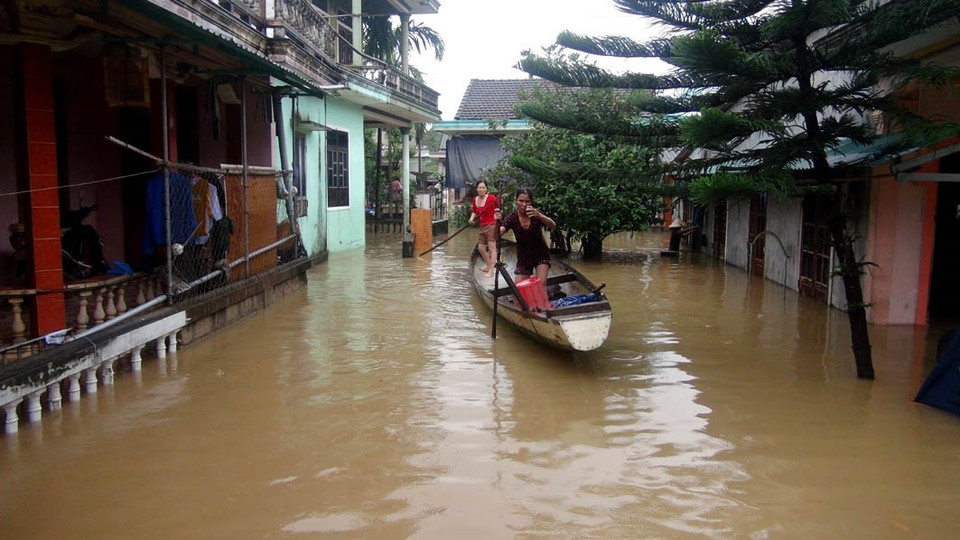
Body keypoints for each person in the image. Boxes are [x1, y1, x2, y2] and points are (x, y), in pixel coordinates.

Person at [495, 188, 556, 287]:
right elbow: (497, 236)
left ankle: (542, 301)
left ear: (531, 202)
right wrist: (496, 222)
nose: (524, 204)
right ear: (516, 201)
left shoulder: (536, 214)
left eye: (527, 201)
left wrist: (540, 215)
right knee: (519, 288)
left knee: (540, 284)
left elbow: (553, 226)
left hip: (541, 254)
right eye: (521, 201)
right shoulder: (512, 218)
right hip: (523, 258)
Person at [468, 180, 499, 277]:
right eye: (479, 187)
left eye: (483, 187)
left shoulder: (491, 198)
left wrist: (497, 213)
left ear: (486, 189)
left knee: (492, 248)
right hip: (482, 226)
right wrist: (471, 218)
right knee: (481, 248)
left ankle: (491, 271)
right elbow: (474, 211)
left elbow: (499, 205)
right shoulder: (475, 199)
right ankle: (489, 265)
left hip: (491, 225)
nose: (481, 189)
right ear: (477, 189)